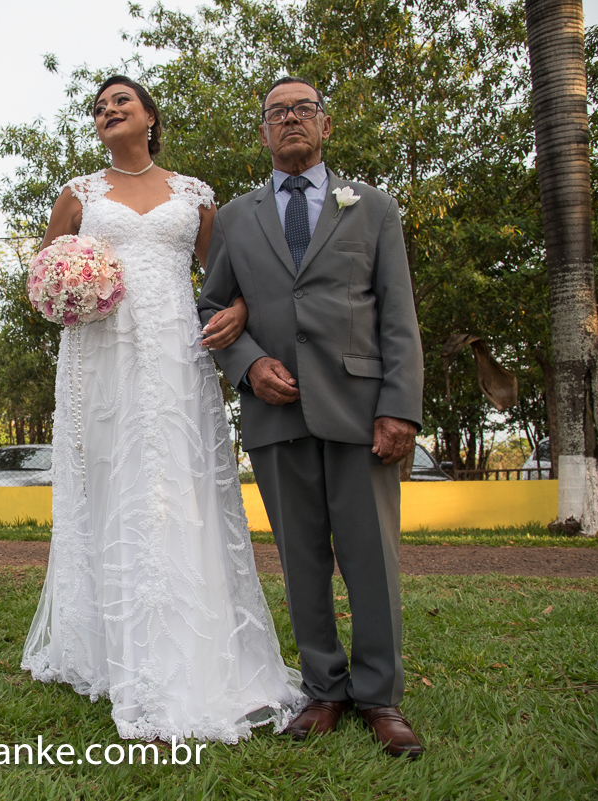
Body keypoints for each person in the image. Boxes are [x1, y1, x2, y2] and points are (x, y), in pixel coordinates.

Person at [21, 75, 305, 743]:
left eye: (121, 100)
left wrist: (240, 310)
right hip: (101, 355)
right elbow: (43, 273)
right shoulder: (78, 194)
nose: (108, 110)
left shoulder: (195, 194)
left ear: (150, 115)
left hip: (178, 352)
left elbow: (229, 278)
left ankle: (197, 642)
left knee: (180, 482)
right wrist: (72, 286)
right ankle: (108, 648)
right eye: (99, 107)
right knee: (113, 483)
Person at [197, 76, 425, 757]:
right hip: (276, 413)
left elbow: (398, 314)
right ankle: (324, 689)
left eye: (304, 109)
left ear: (325, 125)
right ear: (263, 132)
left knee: (371, 558)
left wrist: (399, 407)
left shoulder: (374, 207)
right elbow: (211, 307)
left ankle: (380, 696)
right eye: (278, 112)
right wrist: (247, 363)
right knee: (300, 560)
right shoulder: (234, 218)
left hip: (360, 411)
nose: (291, 119)